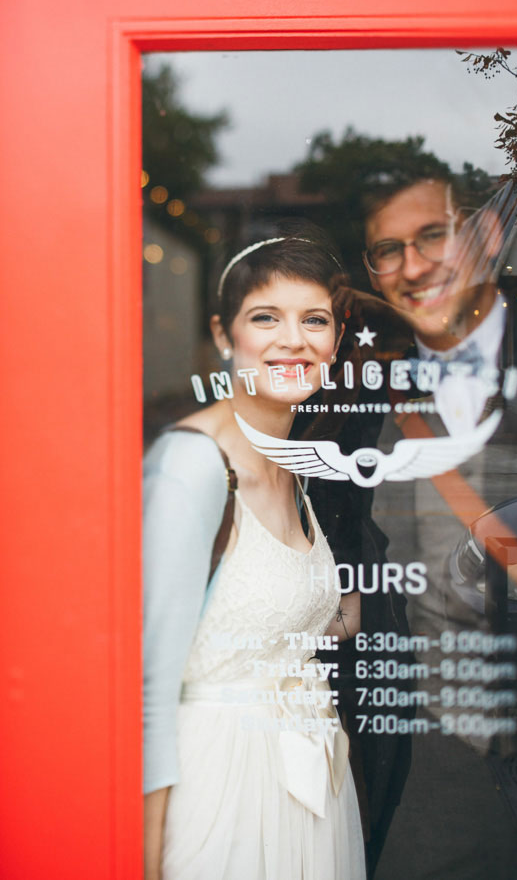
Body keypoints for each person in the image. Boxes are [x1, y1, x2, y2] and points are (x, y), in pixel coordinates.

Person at [360, 176, 517, 880]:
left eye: (433, 236)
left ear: (484, 240)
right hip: (427, 694)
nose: (413, 264)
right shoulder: (385, 379)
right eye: (388, 250)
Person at [142, 229, 367, 880]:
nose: (292, 340)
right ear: (223, 335)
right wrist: (145, 861)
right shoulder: (194, 465)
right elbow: (149, 690)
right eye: (265, 317)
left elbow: (254, 623)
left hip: (305, 786)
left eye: (315, 320)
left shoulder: (290, 465)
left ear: (336, 342)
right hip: (223, 794)